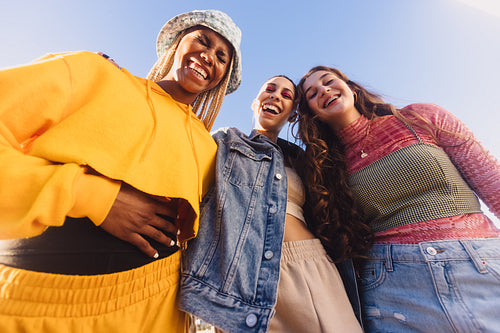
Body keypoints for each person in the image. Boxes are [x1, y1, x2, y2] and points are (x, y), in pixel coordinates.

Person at [0, 9, 241, 333]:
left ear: (224, 76)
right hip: (32, 297)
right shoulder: (96, 73)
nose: (208, 55)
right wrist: (89, 195)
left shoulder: (212, 151)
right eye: (202, 39)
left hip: (154, 315)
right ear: (177, 41)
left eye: (222, 56)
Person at [296, 65, 500, 332]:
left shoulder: (420, 117)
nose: (323, 90)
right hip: (389, 287)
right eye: (312, 93)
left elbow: (493, 183)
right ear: (313, 113)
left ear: (351, 87)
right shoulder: (326, 168)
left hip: (480, 263)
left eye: (329, 81)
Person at [178, 75, 364, 333]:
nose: (277, 96)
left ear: (291, 115)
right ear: (255, 103)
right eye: (270, 89)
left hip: (312, 266)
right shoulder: (225, 141)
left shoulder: (302, 160)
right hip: (243, 279)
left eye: (287, 95)